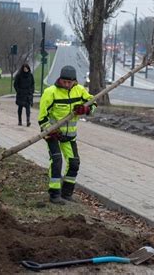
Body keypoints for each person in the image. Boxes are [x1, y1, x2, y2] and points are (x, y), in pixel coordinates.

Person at [38, 65, 96, 204]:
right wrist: (49, 130)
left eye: (70, 82)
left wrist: (86, 109)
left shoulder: (80, 90)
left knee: (74, 163)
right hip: (52, 134)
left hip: (70, 137)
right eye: (64, 82)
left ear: (74, 81)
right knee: (57, 160)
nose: (67, 85)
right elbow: (42, 117)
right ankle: (54, 194)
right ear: (60, 79)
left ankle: (67, 193)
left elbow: (94, 105)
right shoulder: (50, 92)